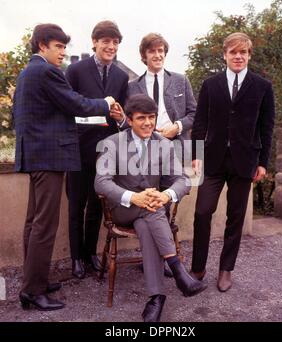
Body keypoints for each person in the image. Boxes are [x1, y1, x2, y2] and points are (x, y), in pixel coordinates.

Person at [13, 23, 115, 311]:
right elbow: (76, 104)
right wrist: (105, 103)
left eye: (64, 47)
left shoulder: (26, 73)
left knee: (34, 223)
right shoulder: (46, 71)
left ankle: (36, 281)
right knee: (44, 225)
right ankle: (33, 291)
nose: (63, 52)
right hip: (49, 157)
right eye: (58, 46)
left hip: (34, 156)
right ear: (43, 45)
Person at [94, 94, 207, 322]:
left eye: (152, 117)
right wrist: (133, 197)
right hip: (123, 209)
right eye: (141, 118)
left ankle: (156, 298)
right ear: (129, 119)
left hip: (151, 208)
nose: (148, 123)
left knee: (148, 222)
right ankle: (177, 269)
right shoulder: (112, 143)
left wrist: (165, 195)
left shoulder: (164, 144)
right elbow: (101, 182)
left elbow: (183, 180)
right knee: (151, 209)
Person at [191, 32, 275, 292]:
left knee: (235, 217)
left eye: (243, 52)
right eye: (233, 52)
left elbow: (266, 127)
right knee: (202, 212)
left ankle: (226, 269)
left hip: (244, 161)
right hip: (213, 161)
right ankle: (197, 267)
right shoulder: (210, 84)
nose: (238, 56)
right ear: (225, 55)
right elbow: (200, 122)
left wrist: (262, 162)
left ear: (249, 55)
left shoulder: (262, 86)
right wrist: (196, 155)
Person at [128, 33, 196, 276]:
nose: (157, 55)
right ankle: (156, 255)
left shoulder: (180, 80)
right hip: (144, 146)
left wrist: (176, 127)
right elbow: (129, 119)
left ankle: (163, 259)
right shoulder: (132, 86)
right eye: (152, 51)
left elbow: (193, 114)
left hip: (175, 145)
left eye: (161, 51)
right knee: (149, 197)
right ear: (144, 56)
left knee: (166, 198)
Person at [65, 20, 128, 279]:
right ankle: (76, 259)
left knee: (95, 206)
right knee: (75, 207)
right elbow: (68, 107)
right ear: (94, 42)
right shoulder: (76, 70)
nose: (110, 46)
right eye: (106, 41)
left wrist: (119, 114)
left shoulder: (122, 76)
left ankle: (90, 254)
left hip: (106, 153)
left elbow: (121, 115)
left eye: (115, 42)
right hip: (78, 150)